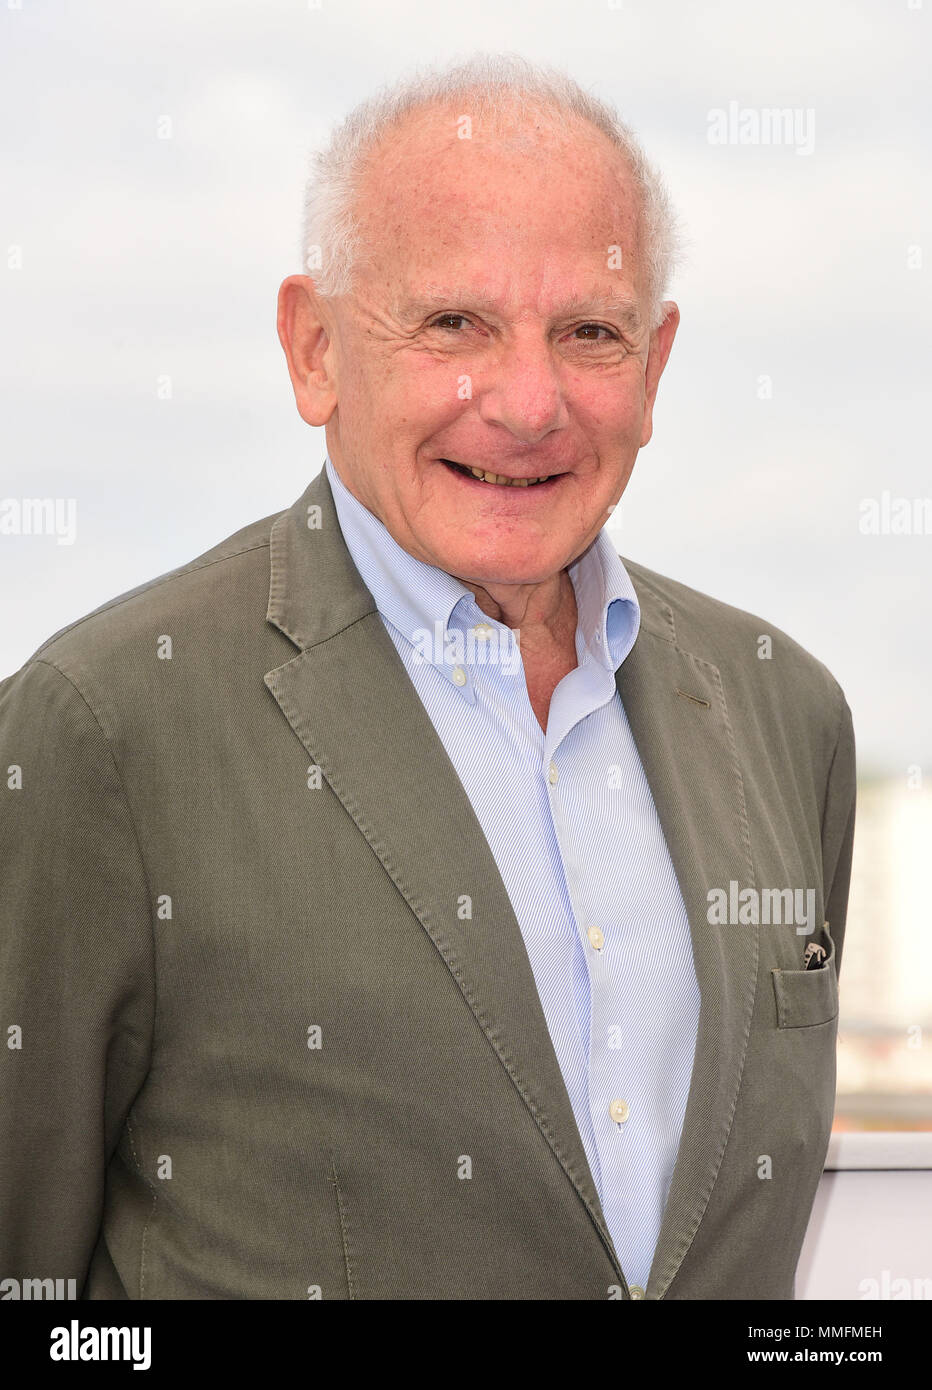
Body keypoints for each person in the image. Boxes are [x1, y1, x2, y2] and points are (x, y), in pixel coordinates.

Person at [0, 53, 855, 1300]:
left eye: (589, 333)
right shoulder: (104, 729)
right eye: (454, 323)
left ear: (655, 366)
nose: (525, 402)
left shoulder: (788, 714)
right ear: (315, 350)